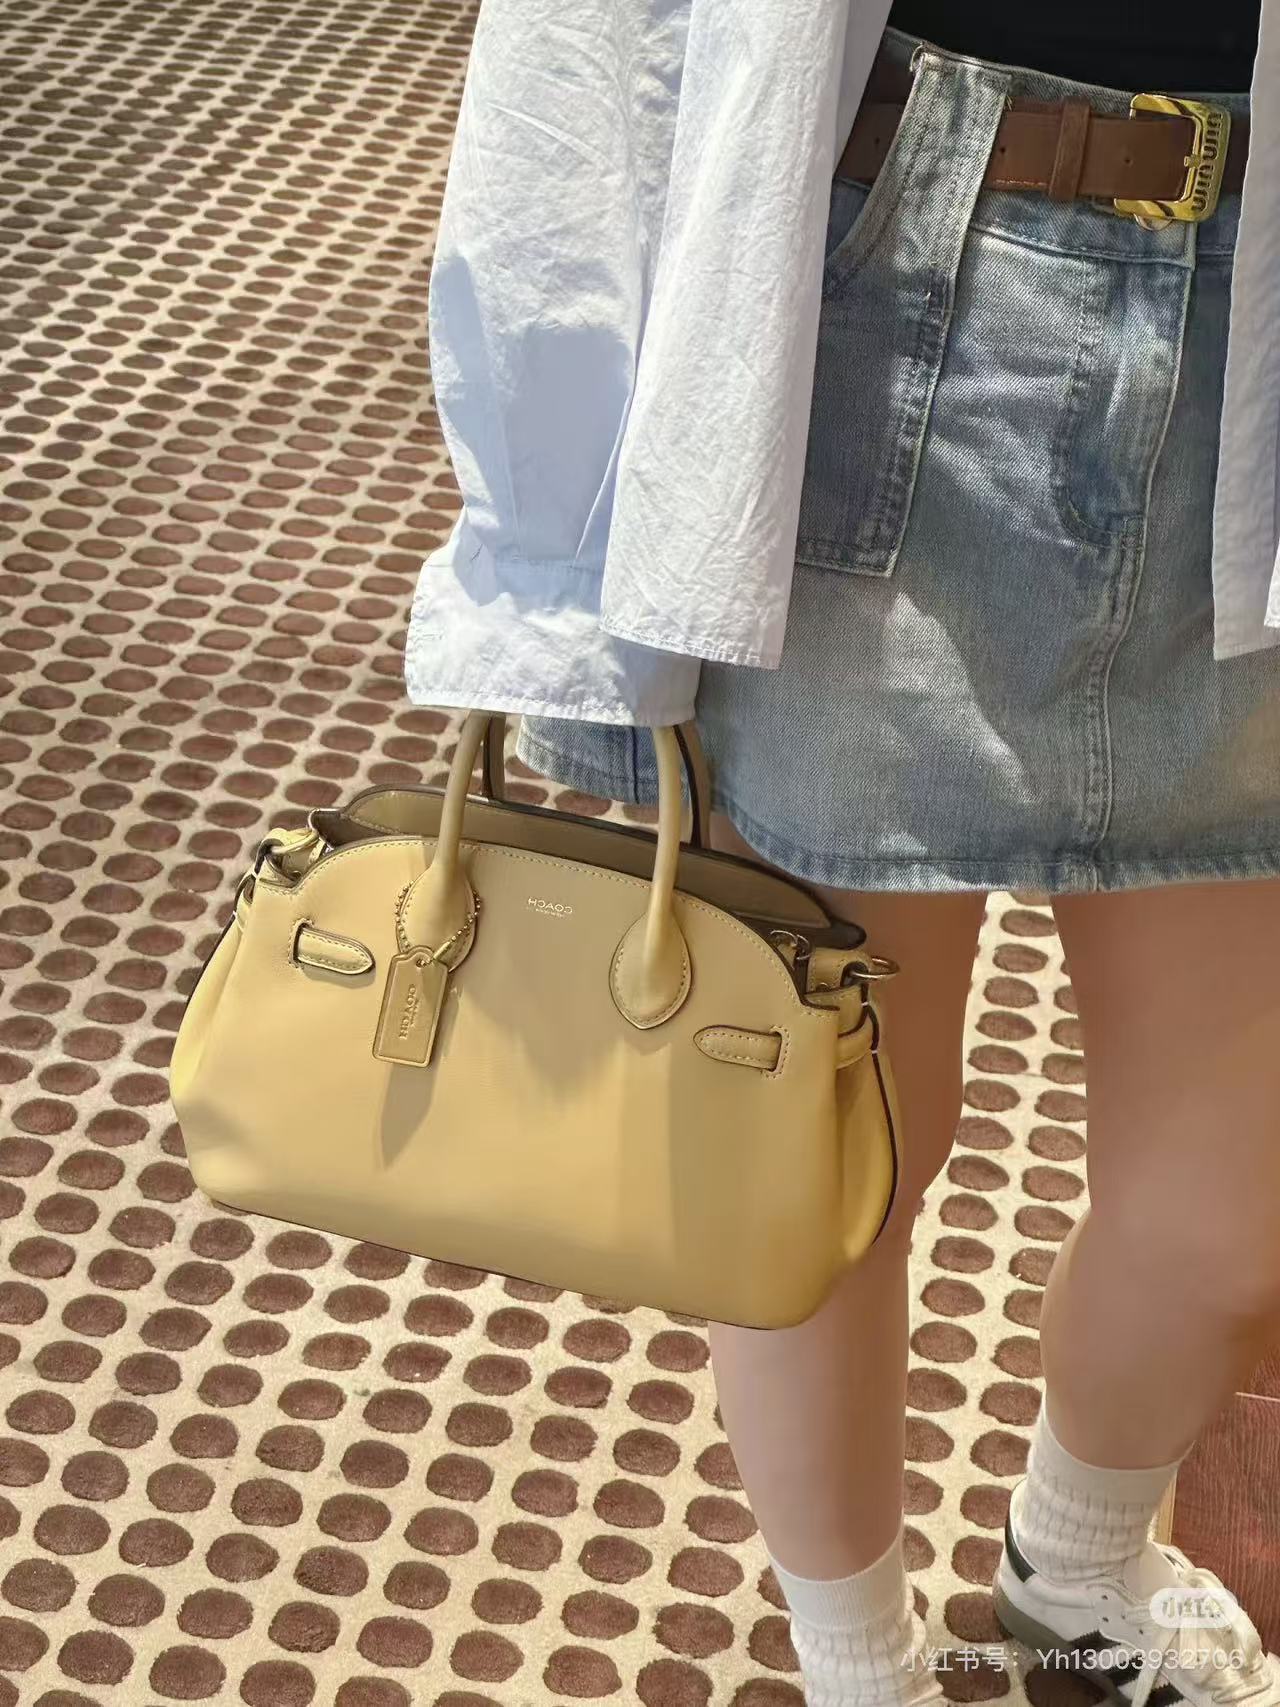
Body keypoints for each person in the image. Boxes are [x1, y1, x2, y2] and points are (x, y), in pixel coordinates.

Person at [407, 4, 1280, 1704]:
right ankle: (857, 1663)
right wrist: (543, 531)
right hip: (876, 301)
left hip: (1247, 342)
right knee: (818, 1169)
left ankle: (1078, 1567)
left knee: (1234, 1208)